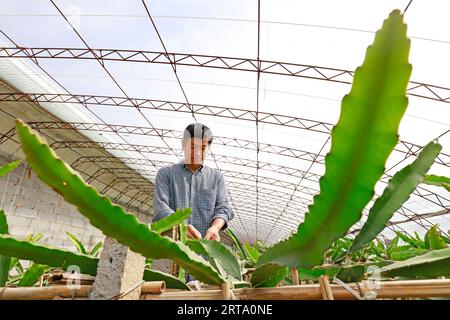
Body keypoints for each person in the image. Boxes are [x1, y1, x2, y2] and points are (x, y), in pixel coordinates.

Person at [152, 123, 234, 242]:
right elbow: (161, 208)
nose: (197, 153)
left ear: (208, 148)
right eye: (192, 147)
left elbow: (223, 208)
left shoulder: (216, 177)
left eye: (202, 148)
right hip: (171, 248)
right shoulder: (166, 174)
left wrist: (215, 228)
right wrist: (181, 227)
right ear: (183, 145)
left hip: (204, 251)